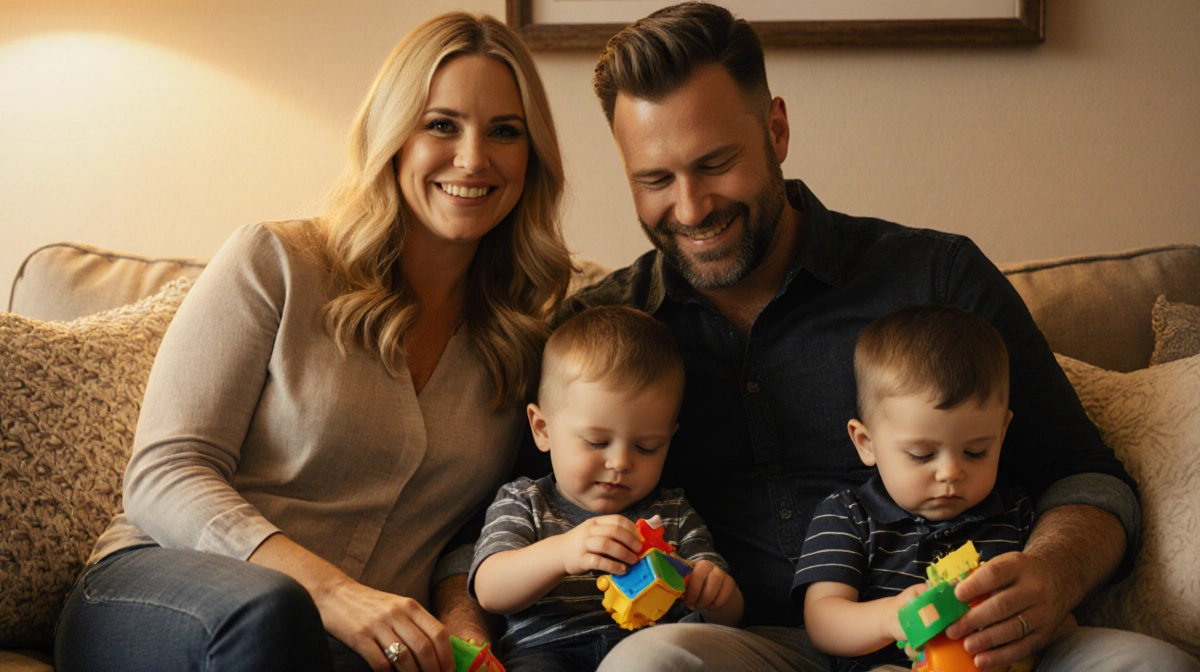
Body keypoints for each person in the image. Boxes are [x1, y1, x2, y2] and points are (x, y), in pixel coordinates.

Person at [553, 2, 1198, 671]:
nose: (689, 208)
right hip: (747, 651)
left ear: (776, 131)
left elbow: (1087, 478)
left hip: (974, 649)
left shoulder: (935, 278)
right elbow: (496, 522)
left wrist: (1050, 577)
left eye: (716, 164)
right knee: (648, 663)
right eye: (655, 179)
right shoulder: (604, 334)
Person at [53, 12, 572, 672]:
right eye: (441, 124)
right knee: (273, 612)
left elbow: (470, 539)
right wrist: (333, 595)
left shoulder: (525, 341)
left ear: (532, 159)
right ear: (394, 137)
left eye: (505, 132)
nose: (473, 158)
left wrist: (465, 643)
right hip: (164, 594)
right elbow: (164, 475)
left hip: (350, 644)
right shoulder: (277, 261)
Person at [469, 305, 743, 672]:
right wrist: (563, 552)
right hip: (546, 652)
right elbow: (489, 590)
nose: (620, 463)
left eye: (647, 447)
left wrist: (716, 594)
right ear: (542, 428)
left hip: (648, 650)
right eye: (597, 442)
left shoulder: (673, 511)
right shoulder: (525, 501)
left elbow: (729, 616)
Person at [794, 304, 1033, 671]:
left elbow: (1052, 613)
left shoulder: (1015, 513)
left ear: (1002, 433)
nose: (950, 473)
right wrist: (891, 617)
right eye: (922, 455)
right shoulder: (849, 515)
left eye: (976, 452)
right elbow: (823, 620)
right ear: (866, 443)